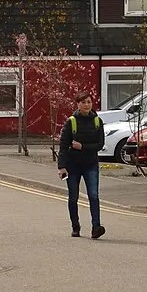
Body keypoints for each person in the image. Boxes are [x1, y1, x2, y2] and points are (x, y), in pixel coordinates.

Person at [56, 92, 106, 239]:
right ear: (78, 104)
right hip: (73, 166)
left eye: (89, 102)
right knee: (73, 197)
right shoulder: (71, 122)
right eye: (83, 102)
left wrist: (82, 146)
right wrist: (62, 167)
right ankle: (75, 227)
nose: (86, 105)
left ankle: (96, 227)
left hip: (90, 164)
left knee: (94, 195)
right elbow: (63, 146)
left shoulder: (97, 121)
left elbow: (100, 144)